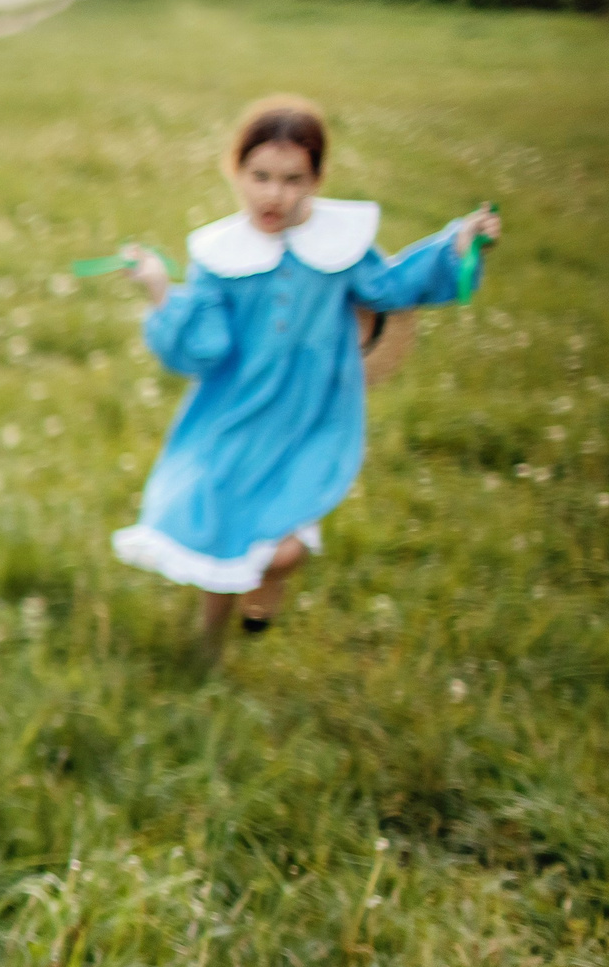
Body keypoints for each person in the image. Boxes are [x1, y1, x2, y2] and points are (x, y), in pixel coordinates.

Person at [111, 95, 499, 652]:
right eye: (260, 177)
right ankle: (208, 643)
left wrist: (456, 244)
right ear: (236, 172)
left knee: (285, 546)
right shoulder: (221, 254)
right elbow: (205, 348)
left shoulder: (340, 246)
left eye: (293, 179)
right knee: (224, 529)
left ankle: (269, 584)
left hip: (311, 416)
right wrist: (159, 292)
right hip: (236, 415)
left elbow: (389, 286)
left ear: (317, 179)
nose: (275, 195)